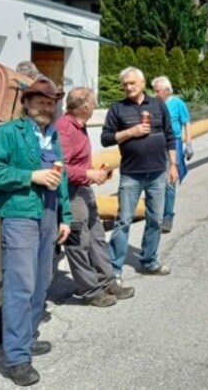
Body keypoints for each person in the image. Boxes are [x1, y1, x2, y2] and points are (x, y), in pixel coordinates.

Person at [0, 76, 72, 386]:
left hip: (48, 213)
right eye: (41, 101)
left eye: (51, 102)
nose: (47, 107)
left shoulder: (52, 135)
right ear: (27, 103)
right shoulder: (8, 132)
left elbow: (62, 179)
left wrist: (65, 216)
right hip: (19, 213)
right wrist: (32, 175)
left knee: (43, 279)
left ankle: (28, 336)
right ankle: (17, 357)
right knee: (20, 284)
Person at [57, 87, 135, 307]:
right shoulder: (65, 129)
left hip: (83, 191)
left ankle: (108, 282)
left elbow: (77, 163)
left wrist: (95, 173)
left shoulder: (78, 127)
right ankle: (90, 291)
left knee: (97, 238)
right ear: (84, 106)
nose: (94, 107)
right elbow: (59, 167)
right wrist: (86, 173)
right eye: (93, 103)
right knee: (78, 244)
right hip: (71, 195)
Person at [101, 67, 177, 282]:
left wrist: (173, 164)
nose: (128, 87)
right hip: (131, 174)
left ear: (143, 84)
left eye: (132, 83)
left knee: (155, 219)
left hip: (157, 173)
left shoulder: (157, 105)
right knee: (123, 221)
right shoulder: (117, 108)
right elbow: (106, 138)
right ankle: (114, 269)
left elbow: (170, 136)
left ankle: (149, 261)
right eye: (125, 84)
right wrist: (130, 133)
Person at [152, 76, 194, 234]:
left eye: (157, 91)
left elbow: (186, 123)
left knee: (170, 180)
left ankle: (168, 216)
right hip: (156, 143)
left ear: (166, 90)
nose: (155, 94)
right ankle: (155, 213)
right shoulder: (154, 104)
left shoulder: (178, 104)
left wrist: (188, 144)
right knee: (156, 180)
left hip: (173, 143)